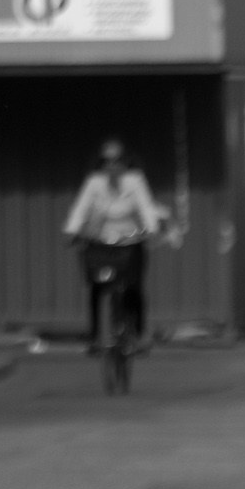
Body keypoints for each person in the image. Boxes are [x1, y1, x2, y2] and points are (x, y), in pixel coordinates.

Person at [62, 138, 159, 349]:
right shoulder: (94, 183)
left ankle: (139, 333)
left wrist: (151, 230)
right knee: (97, 287)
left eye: (117, 161)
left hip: (129, 240)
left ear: (125, 163)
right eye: (107, 162)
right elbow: (81, 208)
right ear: (102, 164)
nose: (113, 166)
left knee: (134, 286)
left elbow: (146, 207)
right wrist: (72, 231)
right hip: (101, 241)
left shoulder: (135, 181)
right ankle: (96, 336)